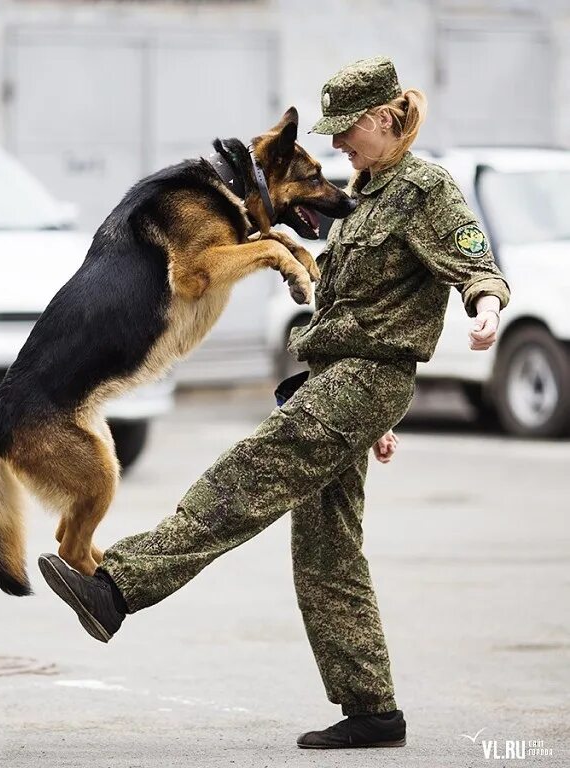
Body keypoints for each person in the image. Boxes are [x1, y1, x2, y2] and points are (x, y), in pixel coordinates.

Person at [38, 55, 511, 750]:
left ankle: (119, 588)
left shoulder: (425, 188)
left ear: (385, 118)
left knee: (244, 477)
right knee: (326, 553)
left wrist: (487, 311)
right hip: (339, 384)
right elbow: (358, 303)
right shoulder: (366, 190)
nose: (339, 145)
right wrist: (373, 417)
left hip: (362, 381)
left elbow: (477, 265)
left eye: (347, 131)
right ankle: (371, 709)